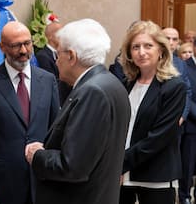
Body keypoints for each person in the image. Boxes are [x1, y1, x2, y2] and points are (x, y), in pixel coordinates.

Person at [25, 18, 131, 204]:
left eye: (58, 55)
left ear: (72, 56)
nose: (56, 62)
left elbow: (72, 166)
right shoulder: (110, 82)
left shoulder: (92, 92)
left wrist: (37, 156)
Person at [0, 21, 60, 204]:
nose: (23, 51)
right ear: (2, 47)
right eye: (15, 45)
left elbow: (56, 130)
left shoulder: (48, 80)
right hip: (4, 185)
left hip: (43, 181)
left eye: (27, 43)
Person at [119, 21, 186, 204]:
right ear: (129, 53)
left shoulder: (174, 87)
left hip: (155, 176)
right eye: (135, 47)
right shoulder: (127, 84)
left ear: (161, 51)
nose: (141, 52)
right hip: (124, 177)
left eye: (148, 46)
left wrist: (120, 163)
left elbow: (158, 137)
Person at [35, 22, 72, 105]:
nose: (64, 36)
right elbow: (51, 81)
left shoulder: (63, 53)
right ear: (51, 36)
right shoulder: (43, 56)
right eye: (62, 33)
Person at [162, 27, 191, 126]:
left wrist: (183, 115)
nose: (171, 42)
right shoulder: (152, 60)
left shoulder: (181, 63)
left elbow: (187, 91)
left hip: (176, 120)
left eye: (175, 39)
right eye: (167, 38)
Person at [179, 40, 196, 204]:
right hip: (192, 125)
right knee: (188, 165)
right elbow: (186, 95)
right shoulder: (185, 66)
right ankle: (185, 197)